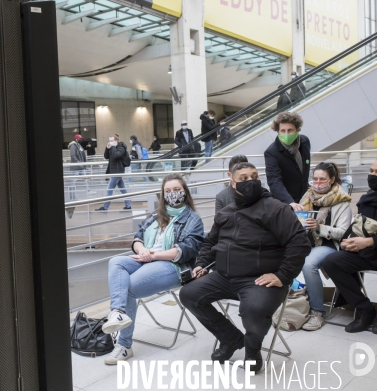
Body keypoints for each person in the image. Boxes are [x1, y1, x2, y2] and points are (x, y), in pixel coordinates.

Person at [180, 162, 310, 373]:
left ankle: (252, 350)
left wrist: (283, 275)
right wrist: (201, 264)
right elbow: (210, 243)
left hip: (260, 280)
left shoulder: (275, 208)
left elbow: (299, 243)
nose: (250, 181)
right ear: (233, 183)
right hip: (224, 276)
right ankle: (230, 338)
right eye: (243, 178)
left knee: (254, 309)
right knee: (188, 294)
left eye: (254, 176)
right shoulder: (226, 212)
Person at [101, 173, 204, 364]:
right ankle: (118, 312)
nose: (172, 194)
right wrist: (142, 251)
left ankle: (124, 345)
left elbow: (187, 249)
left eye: (176, 190)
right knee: (116, 262)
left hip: (172, 265)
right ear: (162, 194)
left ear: (185, 192)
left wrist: (154, 255)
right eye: (168, 191)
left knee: (129, 288)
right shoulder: (156, 216)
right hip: (146, 258)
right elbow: (138, 237)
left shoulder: (193, 219)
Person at [322, 160, 377, 333]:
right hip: (366, 253)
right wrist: (350, 241)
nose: (373, 175)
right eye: (371, 170)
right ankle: (365, 308)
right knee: (331, 261)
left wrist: (369, 242)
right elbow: (361, 225)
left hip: (371, 248)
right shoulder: (368, 197)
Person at [298, 162, 352, 331]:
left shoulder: (342, 200)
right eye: (315, 179)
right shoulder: (308, 197)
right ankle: (292, 303)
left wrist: (319, 228)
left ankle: (317, 312)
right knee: (278, 253)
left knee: (308, 263)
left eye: (322, 179)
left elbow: (343, 232)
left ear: (332, 180)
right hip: (305, 242)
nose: (318, 183)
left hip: (329, 245)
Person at [264, 112, 311, 211]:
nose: (286, 134)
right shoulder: (272, 152)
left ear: (297, 130)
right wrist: (290, 202)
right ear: (278, 131)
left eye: (290, 130)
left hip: (305, 200)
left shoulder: (305, 142)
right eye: (282, 131)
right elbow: (274, 181)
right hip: (284, 203)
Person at [96, 135, 131, 211]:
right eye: (109, 141)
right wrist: (107, 148)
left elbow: (116, 156)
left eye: (112, 141)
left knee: (109, 190)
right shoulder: (112, 148)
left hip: (118, 171)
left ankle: (105, 207)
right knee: (123, 189)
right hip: (114, 171)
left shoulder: (121, 148)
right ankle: (128, 205)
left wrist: (114, 147)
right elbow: (106, 156)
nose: (110, 142)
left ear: (116, 141)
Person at [67, 134, 88, 201]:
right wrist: (79, 164)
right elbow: (73, 156)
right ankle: (72, 196)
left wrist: (84, 165)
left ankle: (89, 190)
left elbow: (83, 155)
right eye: (80, 138)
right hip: (75, 168)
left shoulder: (79, 146)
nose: (81, 140)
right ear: (76, 139)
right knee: (72, 182)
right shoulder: (73, 146)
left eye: (81, 138)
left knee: (85, 179)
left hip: (81, 167)